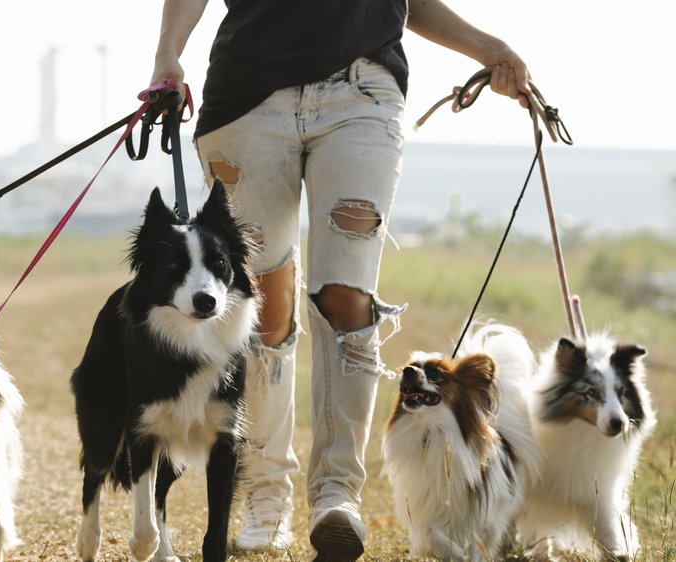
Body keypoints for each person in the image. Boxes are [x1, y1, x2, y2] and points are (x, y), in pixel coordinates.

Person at [149, 0, 532, 560]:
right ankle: (264, 491)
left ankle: (336, 494)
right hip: (248, 97)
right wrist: (167, 53)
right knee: (261, 300)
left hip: (364, 95)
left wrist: (489, 48)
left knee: (347, 296)